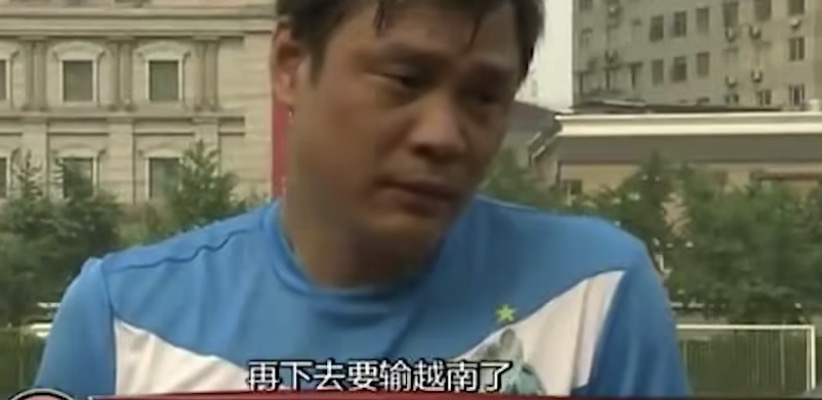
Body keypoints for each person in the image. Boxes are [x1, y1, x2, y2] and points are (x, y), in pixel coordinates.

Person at [33, 0, 690, 398]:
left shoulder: (596, 298)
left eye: (483, 96)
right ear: (290, 65)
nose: (443, 135)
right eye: (404, 79)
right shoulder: (120, 322)